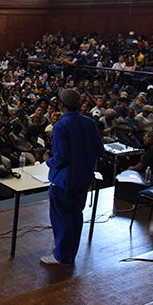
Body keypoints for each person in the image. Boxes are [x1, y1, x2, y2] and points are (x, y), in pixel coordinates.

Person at [42, 89, 104, 266]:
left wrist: (48, 160)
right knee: (76, 216)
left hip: (64, 180)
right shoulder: (90, 122)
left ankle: (62, 256)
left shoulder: (61, 125)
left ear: (62, 105)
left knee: (62, 218)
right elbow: (100, 150)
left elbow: (61, 158)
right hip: (83, 178)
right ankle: (69, 252)